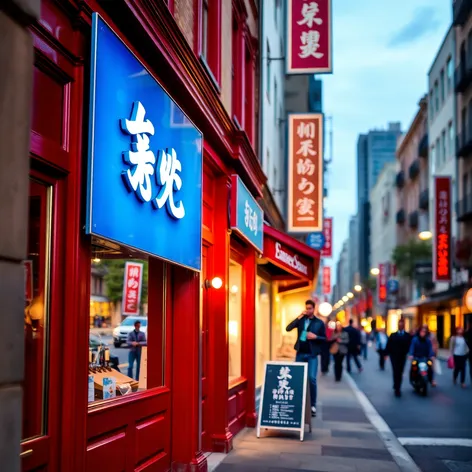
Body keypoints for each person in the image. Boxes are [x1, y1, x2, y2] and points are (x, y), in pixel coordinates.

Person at [286, 299, 326, 416]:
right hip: (300, 354)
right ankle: (297, 404)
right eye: (306, 308)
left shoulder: (319, 323)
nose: (308, 310)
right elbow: (288, 328)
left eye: (310, 308)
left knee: (311, 378)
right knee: (297, 379)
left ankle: (313, 405)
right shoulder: (301, 320)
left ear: (314, 309)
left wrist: (316, 337)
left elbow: (324, 339)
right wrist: (299, 317)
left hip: (312, 355)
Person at [386, 319, 412, 397]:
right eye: (399, 325)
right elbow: (388, 345)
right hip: (394, 357)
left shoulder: (407, 336)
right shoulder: (393, 335)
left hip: (403, 357)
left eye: (402, 325)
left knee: (400, 372)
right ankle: (397, 388)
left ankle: (398, 385)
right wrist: (386, 354)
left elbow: (410, 346)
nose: (400, 326)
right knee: (395, 371)